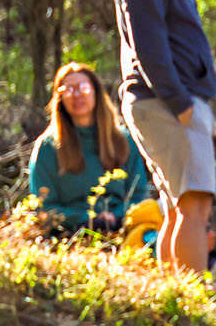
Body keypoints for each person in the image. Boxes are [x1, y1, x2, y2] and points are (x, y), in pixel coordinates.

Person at [114, 0, 216, 273]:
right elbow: (150, 50)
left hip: (170, 101)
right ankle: (196, 298)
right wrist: (182, 105)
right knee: (194, 206)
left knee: (178, 207)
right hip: (165, 103)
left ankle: (175, 293)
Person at [27, 62, 153, 235]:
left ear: (96, 92)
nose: (77, 95)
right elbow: (44, 207)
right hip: (70, 234)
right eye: (68, 90)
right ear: (60, 99)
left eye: (83, 88)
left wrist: (115, 217)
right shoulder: (48, 147)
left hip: (123, 227)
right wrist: (87, 219)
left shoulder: (124, 140)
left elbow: (139, 196)